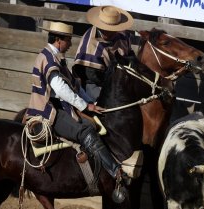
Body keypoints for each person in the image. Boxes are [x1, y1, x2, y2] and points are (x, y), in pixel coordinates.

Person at [24, 21, 128, 184]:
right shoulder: (50, 59)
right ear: (59, 40)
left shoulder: (54, 57)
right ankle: (115, 171)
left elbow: (75, 87)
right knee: (86, 132)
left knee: (91, 124)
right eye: (68, 40)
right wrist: (86, 106)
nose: (71, 43)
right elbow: (61, 90)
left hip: (58, 106)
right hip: (48, 111)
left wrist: (91, 103)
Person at [73, 5, 135, 102]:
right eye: (109, 29)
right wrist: (115, 85)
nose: (113, 32)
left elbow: (130, 54)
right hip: (95, 83)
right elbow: (92, 76)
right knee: (109, 103)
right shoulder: (89, 45)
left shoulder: (123, 36)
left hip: (122, 78)